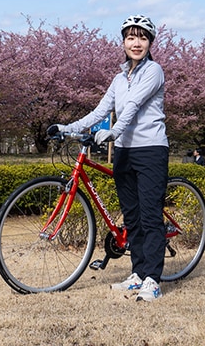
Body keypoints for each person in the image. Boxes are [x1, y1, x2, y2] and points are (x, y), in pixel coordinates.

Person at [47, 15, 167, 302]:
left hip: (150, 149)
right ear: (123, 42)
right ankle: (138, 273)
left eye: (142, 37)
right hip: (125, 152)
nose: (136, 43)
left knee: (151, 217)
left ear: (150, 43)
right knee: (133, 217)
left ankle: (153, 279)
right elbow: (100, 111)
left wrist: (113, 131)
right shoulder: (118, 79)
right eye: (130, 37)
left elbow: (134, 106)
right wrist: (68, 128)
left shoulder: (154, 71)